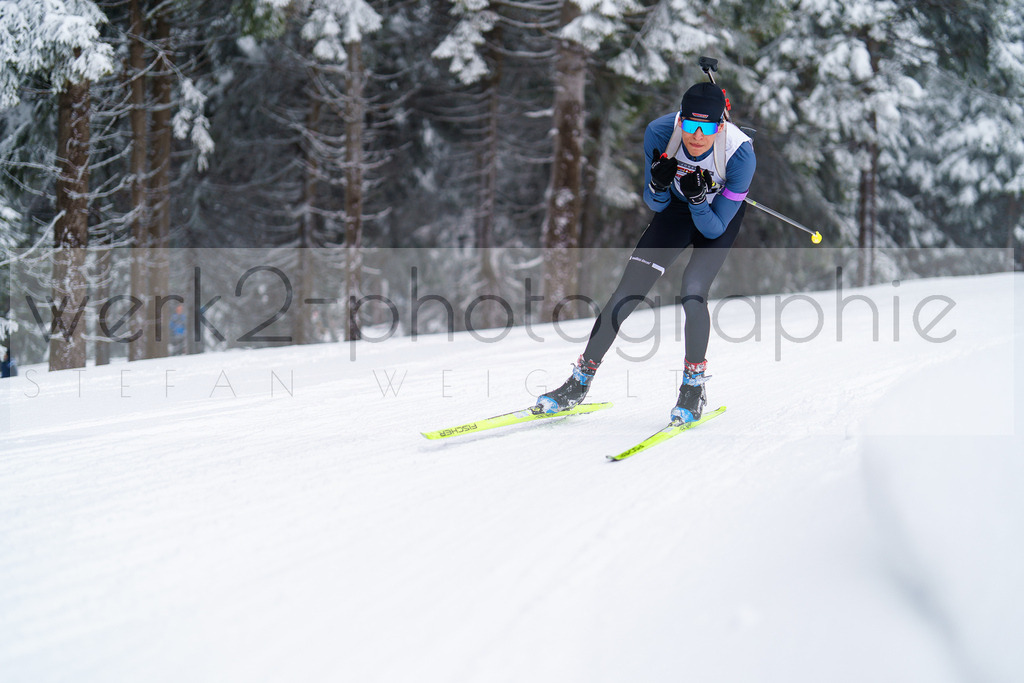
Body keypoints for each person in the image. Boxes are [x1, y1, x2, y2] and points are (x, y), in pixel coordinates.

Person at [536, 81, 756, 422]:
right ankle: (579, 381)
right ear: (680, 120)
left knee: (693, 292)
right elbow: (654, 202)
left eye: (707, 127)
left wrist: (699, 199)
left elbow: (713, 228)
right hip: (677, 212)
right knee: (626, 292)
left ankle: (693, 388)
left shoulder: (740, 155)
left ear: (721, 125)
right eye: (690, 124)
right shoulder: (660, 133)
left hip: (716, 215)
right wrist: (658, 184)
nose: (697, 135)